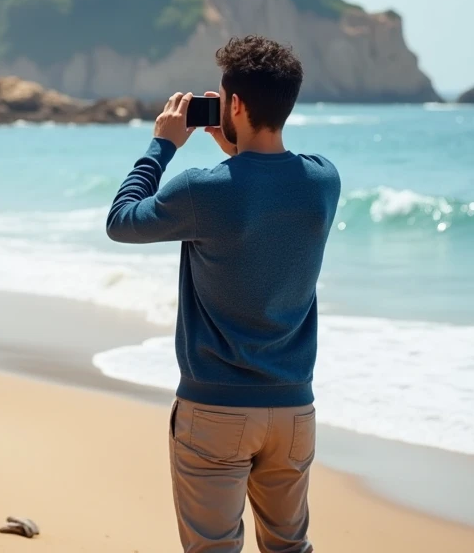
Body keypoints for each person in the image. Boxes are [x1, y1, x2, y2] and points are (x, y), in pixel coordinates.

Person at [106, 35, 341, 553]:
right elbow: (265, 184)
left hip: (215, 410)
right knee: (290, 548)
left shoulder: (201, 190)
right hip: (293, 411)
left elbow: (121, 221)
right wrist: (236, 148)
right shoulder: (324, 180)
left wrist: (162, 144)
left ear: (233, 104)